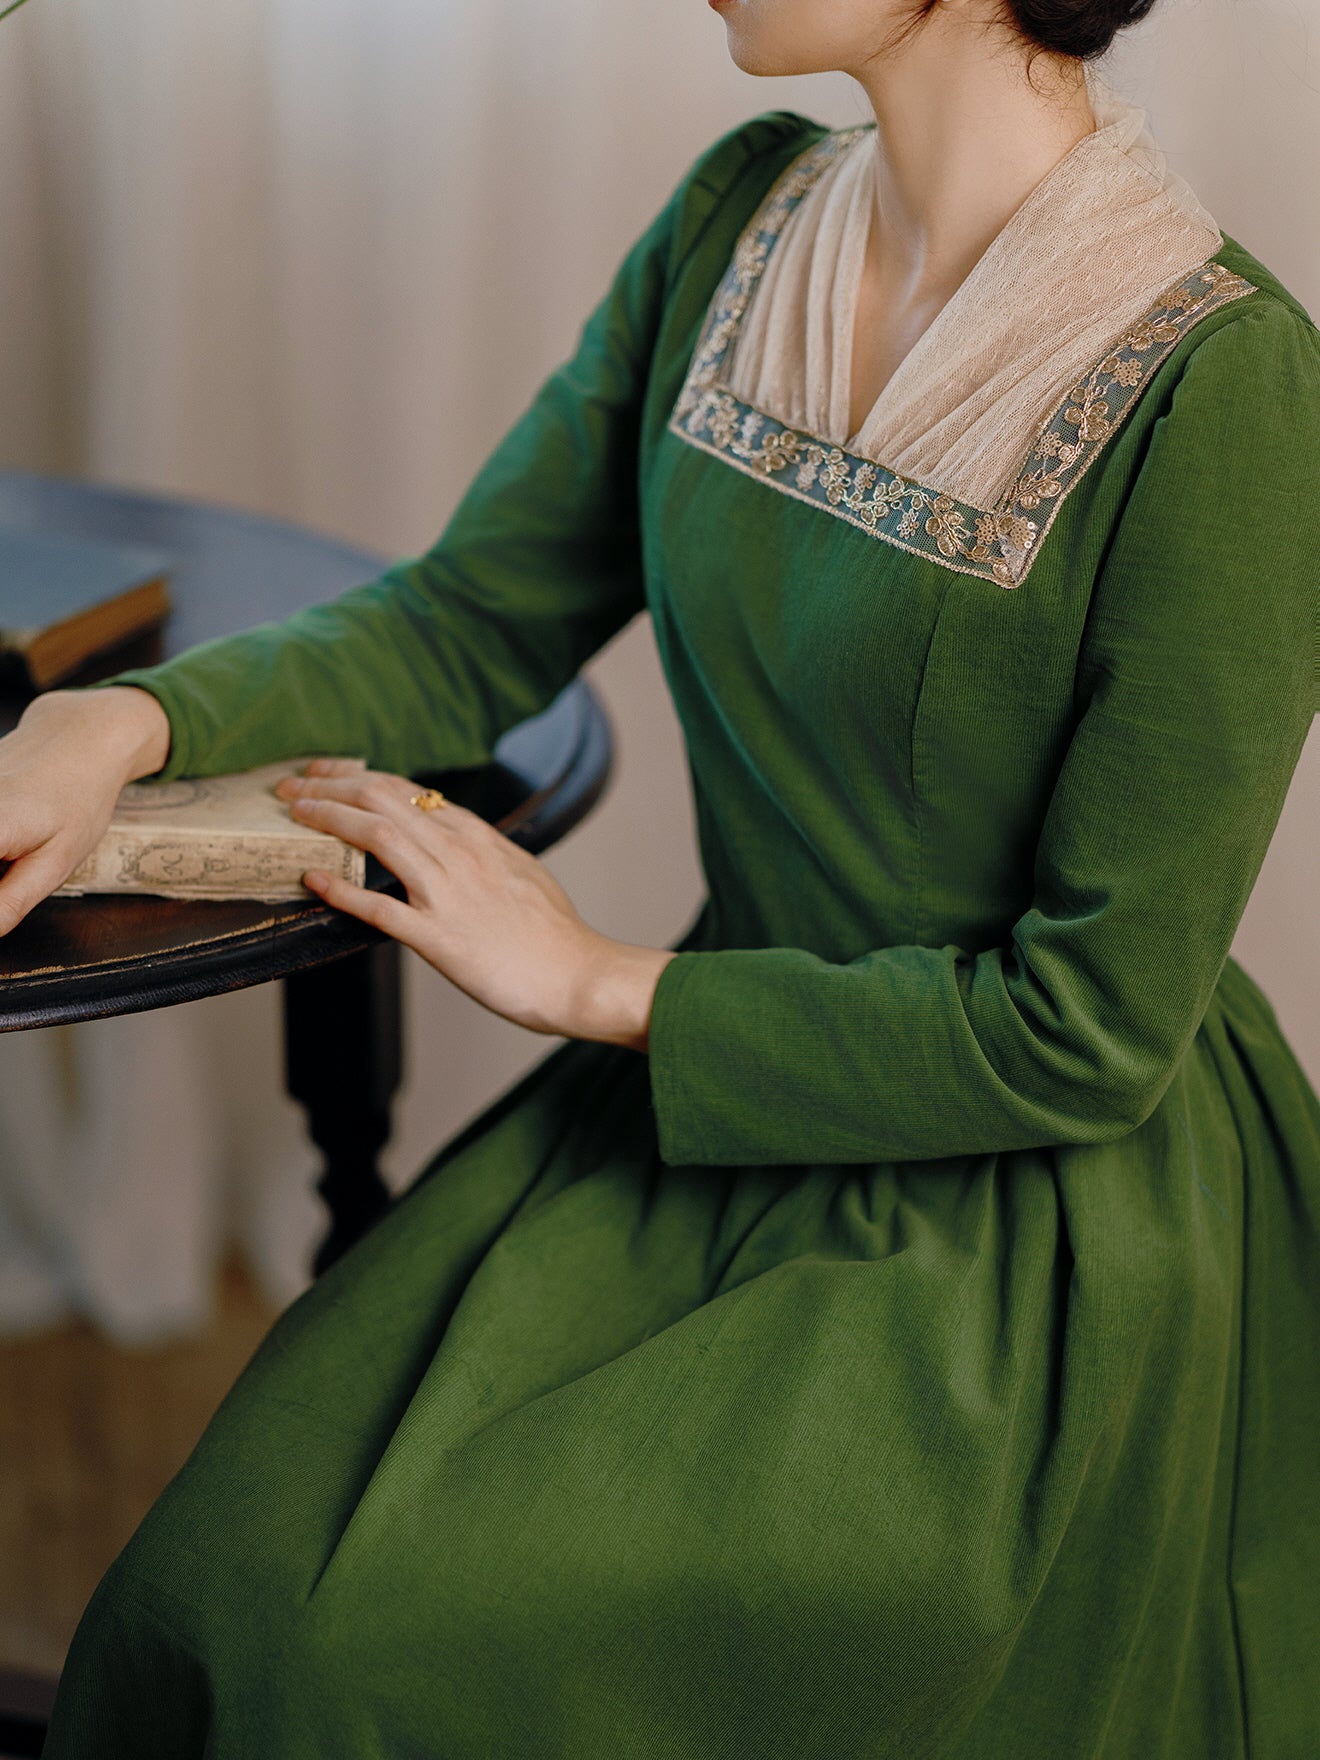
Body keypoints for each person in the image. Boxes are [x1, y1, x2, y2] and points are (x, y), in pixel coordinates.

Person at [11, 0, 1318, 1751]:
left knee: (369, 1664)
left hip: (1020, 1226)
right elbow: (478, 617)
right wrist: (125, 723)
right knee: (223, 1602)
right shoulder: (739, 219)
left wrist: (591, 980)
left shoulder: (1227, 387)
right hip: (685, 1117)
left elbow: (1085, 1028)